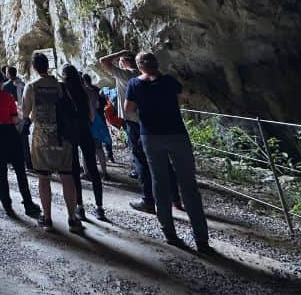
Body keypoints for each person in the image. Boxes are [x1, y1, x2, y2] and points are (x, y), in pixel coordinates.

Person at [125, 52, 211, 253]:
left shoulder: (134, 85)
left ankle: (169, 233)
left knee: (159, 182)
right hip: (177, 134)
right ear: (156, 64)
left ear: (139, 67)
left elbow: (128, 110)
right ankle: (201, 239)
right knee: (188, 185)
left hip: (151, 137)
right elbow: (184, 98)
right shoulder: (169, 81)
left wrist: (144, 120)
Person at [100, 50, 182, 214]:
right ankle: (175, 199)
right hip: (158, 123)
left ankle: (148, 200)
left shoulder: (126, 75)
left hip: (136, 124)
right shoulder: (151, 76)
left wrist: (121, 52)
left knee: (141, 161)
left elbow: (103, 61)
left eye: (120, 61)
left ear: (124, 62)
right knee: (164, 161)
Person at [21, 52, 80, 233]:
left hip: (42, 138)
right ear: (48, 65)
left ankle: (47, 219)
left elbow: (25, 113)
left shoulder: (31, 86)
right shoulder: (59, 85)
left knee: (43, 178)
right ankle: (72, 218)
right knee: (67, 177)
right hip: (62, 137)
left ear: (34, 67)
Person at [0, 70, 41, 218]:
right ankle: (28, 204)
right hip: (10, 136)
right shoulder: (8, 98)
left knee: (1, 173)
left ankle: (7, 205)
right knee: (20, 172)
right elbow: (15, 120)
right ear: (2, 82)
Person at [62, 65, 106, 221]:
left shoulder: (63, 91)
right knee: (93, 168)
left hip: (71, 133)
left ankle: (80, 207)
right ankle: (100, 207)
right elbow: (92, 115)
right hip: (85, 131)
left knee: (74, 171)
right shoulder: (84, 91)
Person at [3, 66, 32, 170]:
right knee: (24, 141)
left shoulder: (6, 86)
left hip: (12, 116)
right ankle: (29, 163)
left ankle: (17, 163)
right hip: (24, 116)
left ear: (8, 74)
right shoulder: (23, 84)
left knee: (14, 141)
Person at [83, 73, 111, 180]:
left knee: (86, 149)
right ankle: (104, 173)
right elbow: (102, 105)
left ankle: (87, 172)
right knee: (99, 148)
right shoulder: (97, 90)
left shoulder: (83, 92)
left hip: (88, 123)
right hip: (98, 122)